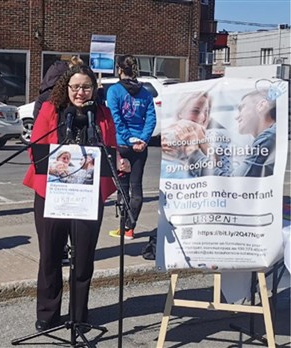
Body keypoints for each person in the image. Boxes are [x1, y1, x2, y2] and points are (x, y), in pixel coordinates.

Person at [23, 65, 119, 331]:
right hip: (52, 193)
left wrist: (119, 161)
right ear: (66, 88)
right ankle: (48, 313)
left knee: (83, 258)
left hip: (87, 196)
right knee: (50, 256)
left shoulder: (103, 114)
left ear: (94, 89)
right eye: (75, 87)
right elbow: (36, 150)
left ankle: (79, 314)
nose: (80, 92)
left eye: (86, 87)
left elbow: (110, 149)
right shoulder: (49, 110)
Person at [106, 55, 156, 241]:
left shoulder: (114, 91)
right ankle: (130, 228)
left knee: (123, 188)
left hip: (122, 144)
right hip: (140, 147)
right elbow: (151, 119)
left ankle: (123, 227)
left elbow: (115, 119)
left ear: (119, 69)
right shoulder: (145, 93)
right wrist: (142, 139)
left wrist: (129, 139)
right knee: (137, 187)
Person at [181, 89, 276, 177]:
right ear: (180, 113)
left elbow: (233, 182)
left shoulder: (269, 138)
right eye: (195, 111)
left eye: (242, 108)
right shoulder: (270, 136)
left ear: (262, 106)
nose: (237, 117)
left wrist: (193, 153)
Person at [160, 91, 231, 179]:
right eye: (195, 111)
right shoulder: (167, 136)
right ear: (180, 113)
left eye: (206, 112)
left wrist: (201, 138)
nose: (203, 117)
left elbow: (219, 173)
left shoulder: (217, 136)